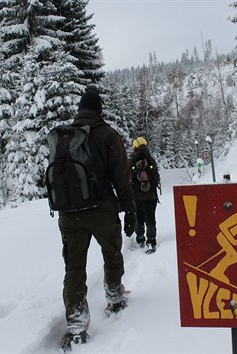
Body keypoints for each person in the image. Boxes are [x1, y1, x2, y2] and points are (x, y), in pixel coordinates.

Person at [57, 90, 137, 350]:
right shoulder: (108, 135)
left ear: (80, 109)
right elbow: (122, 178)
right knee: (112, 254)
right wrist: (130, 210)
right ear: (99, 110)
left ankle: (77, 324)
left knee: (74, 268)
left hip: (69, 214)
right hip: (102, 209)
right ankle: (114, 297)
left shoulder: (65, 137)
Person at [128, 136, 161, 253]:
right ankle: (151, 240)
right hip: (150, 196)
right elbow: (156, 177)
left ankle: (140, 238)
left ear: (136, 146)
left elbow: (127, 177)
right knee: (150, 218)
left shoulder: (131, 160)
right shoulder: (150, 159)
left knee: (139, 217)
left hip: (136, 197)